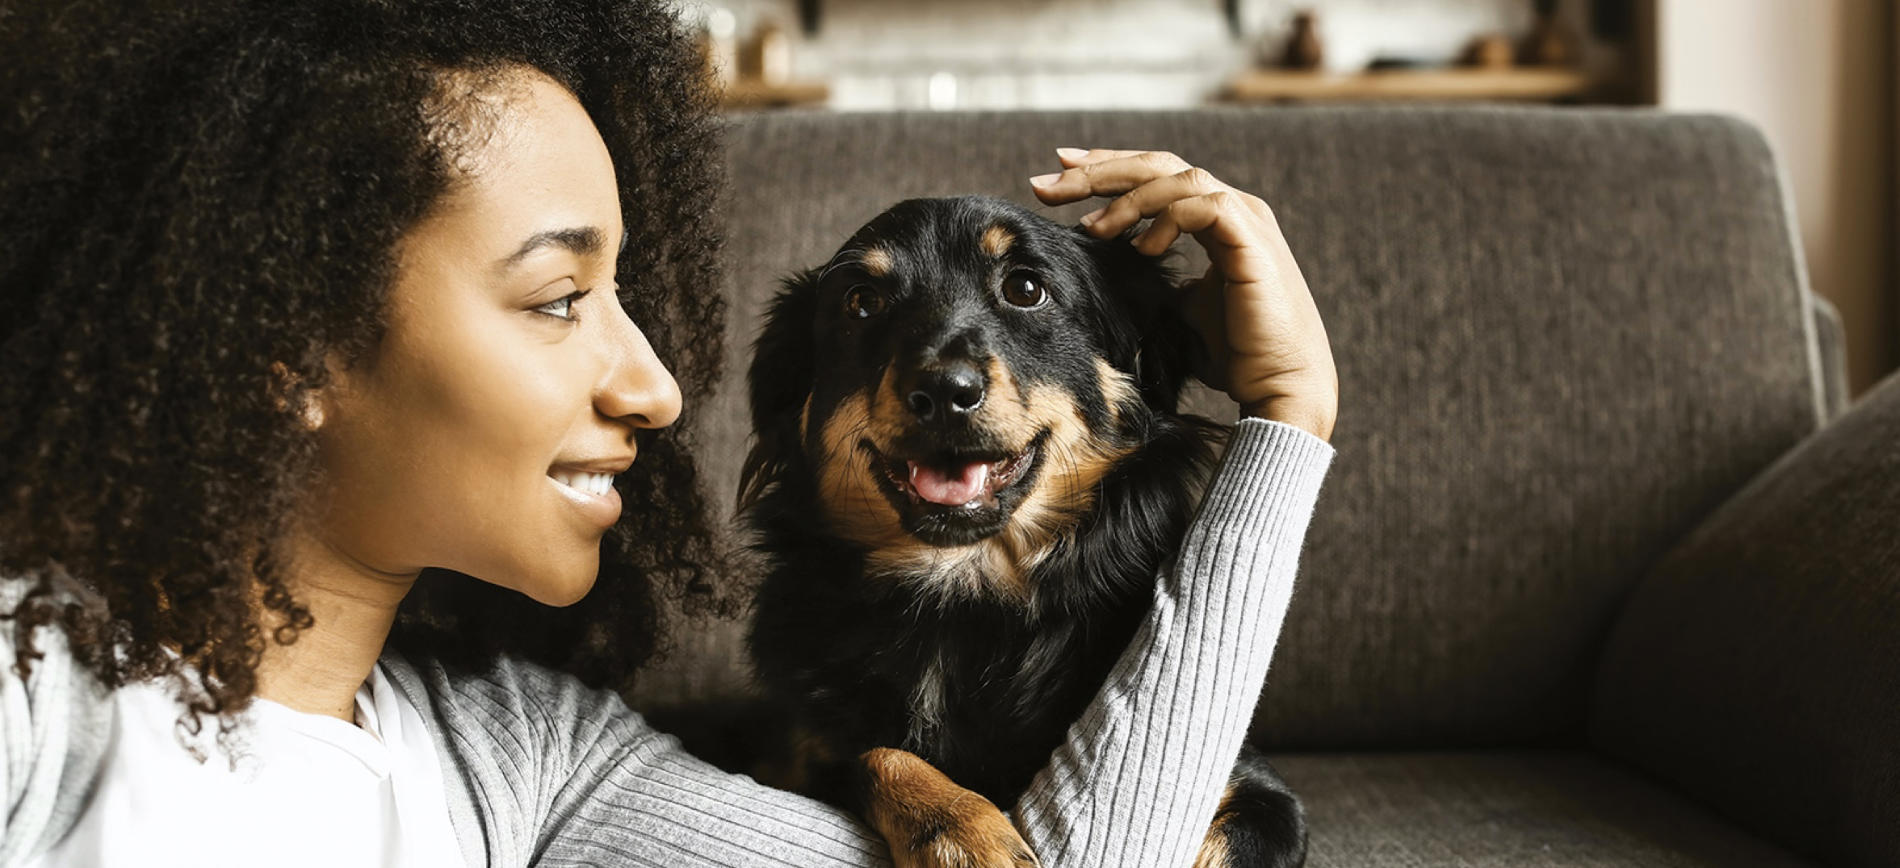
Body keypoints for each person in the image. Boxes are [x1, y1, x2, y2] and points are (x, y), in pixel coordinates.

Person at [0, 0, 1338, 866]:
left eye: (628, 298)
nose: (655, 386)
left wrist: (1288, 429)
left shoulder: (535, 761)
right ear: (285, 337)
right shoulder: (33, 691)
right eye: (560, 297)